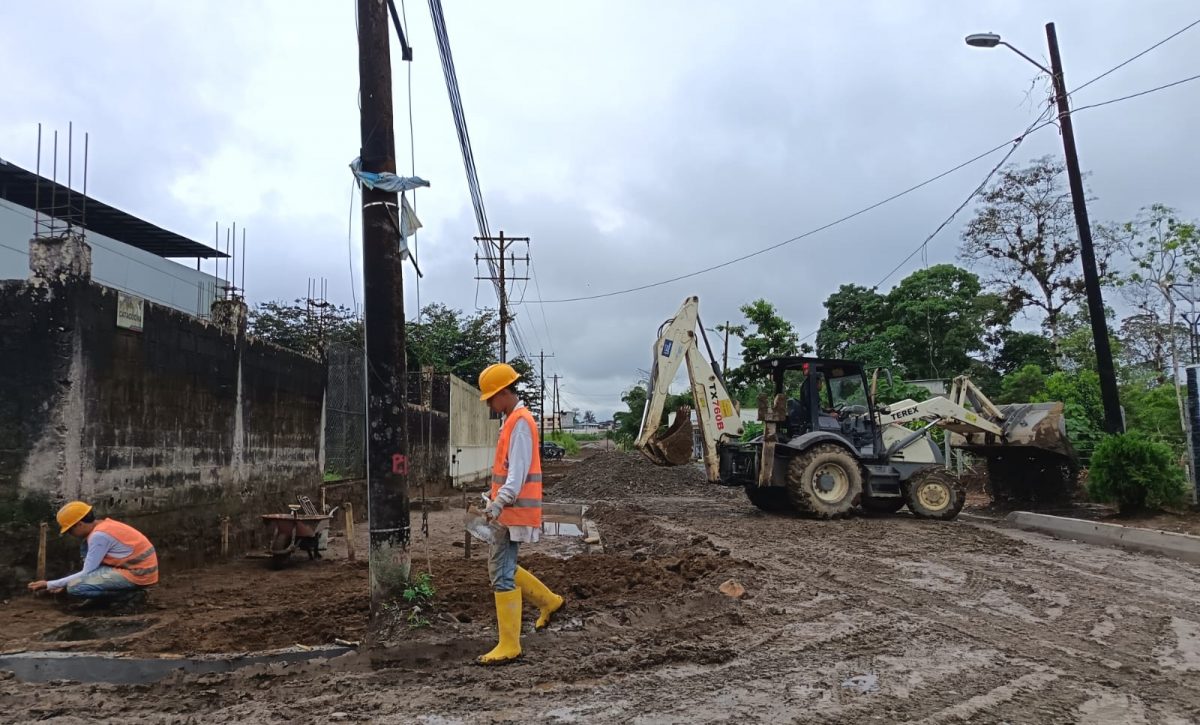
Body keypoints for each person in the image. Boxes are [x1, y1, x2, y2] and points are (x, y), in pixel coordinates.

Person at [476, 362, 565, 664]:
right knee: (504, 567)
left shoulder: (521, 423)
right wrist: (493, 497)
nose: (489, 403)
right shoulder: (512, 421)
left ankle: (510, 644)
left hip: (511, 511)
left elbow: (517, 475)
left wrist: (498, 503)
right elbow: (506, 473)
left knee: (501, 572)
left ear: (502, 392)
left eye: (490, 397)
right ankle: (549, 602)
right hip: (507, 510)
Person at [27, 501, 159, 603]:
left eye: (70, 530)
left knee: (76, 588)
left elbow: (87, 572)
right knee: (76, 576)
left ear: (79, 524)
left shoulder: (99, 536)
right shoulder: (104, 525)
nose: (70, 534)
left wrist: (49, 584)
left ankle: (129, 597)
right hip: (137, 569)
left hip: (139, 574)